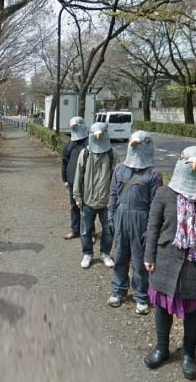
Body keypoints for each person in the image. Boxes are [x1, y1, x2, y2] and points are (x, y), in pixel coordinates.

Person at [142, 146, 196, 380]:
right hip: (166, 260)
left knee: (193, 312)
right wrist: (149, 256)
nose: (195, 165)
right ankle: (161, 348)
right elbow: (153, 228)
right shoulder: (164, 194)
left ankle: (188, 354)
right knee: (163, 308)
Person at [107, 131, 162, 315]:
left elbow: (156, 203)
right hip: (121, 215)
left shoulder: (154, 174)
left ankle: (141, 296)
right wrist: (111, 215)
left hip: (141, 217)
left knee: (140, 260)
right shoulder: (120, 169)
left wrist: (150, 228)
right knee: (121, 255)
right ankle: (118, 290)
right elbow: (113, 194)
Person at [73, 122, 115, 269]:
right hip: (88, 200)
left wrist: (115, 200)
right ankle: (87, 253)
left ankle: (105, 253)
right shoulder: (84, 154)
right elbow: (78, 176)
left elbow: (117, 179)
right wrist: (77, 196)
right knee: (85, 230)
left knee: (109, 229)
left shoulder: (112, 154)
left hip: (107, 201)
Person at [61, 117, 89, 240]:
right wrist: (65, 179)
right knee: (74, 206)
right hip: (72, 181)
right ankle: (75, 229)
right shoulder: (70, 144)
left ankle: (89, 232)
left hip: (87, 182)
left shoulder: (90, 143)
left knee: (88, 207)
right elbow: (64, 162)